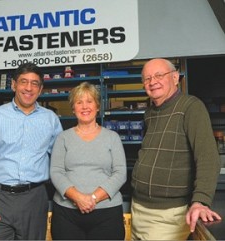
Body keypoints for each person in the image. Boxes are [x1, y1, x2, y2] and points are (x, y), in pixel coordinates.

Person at [0, 63, 63, 240]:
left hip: (34, 199)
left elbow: (61, 160)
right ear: (13, 85)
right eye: (23, 82)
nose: (28, 88)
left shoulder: (51, 119)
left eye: (34, 83)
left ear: (41, 89)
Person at [131, 58, 222, 240]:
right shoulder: (149, 114)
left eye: (158, 75)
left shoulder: (191, 107)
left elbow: (208, 158)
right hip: (139, 208)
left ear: (175, 78)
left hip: (168, 215)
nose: (152, 82)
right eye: (147, 78)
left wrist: (200, 201)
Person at [50, 82, 127, 240]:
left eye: (89, 101)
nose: (85, 107)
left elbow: (120, 173)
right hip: (67, 214)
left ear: (97, 106)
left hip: (107, 213)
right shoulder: (63, 138)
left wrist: (92, 199)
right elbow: (56, 172)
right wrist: (78, 198)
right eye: (79, 102)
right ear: (73, 109)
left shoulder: (112, 138)